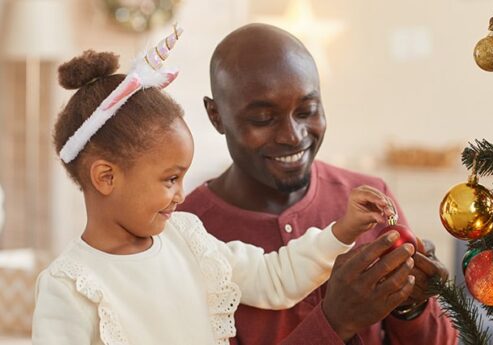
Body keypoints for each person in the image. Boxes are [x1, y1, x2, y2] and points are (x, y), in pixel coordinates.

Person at [32, 29, 405, 345]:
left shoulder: (189, 237)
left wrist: (343, 230)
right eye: (169, 179)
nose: (180, 194)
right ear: (106, 178)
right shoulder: (69, 287)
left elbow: (275, 278)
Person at [179, 23, 458, 344]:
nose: (293, 136)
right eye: (263, 118)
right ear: (216, 116)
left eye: (307, 110)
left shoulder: (371, 199)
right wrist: (335, 322)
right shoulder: (186, 234)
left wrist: (412, 307)